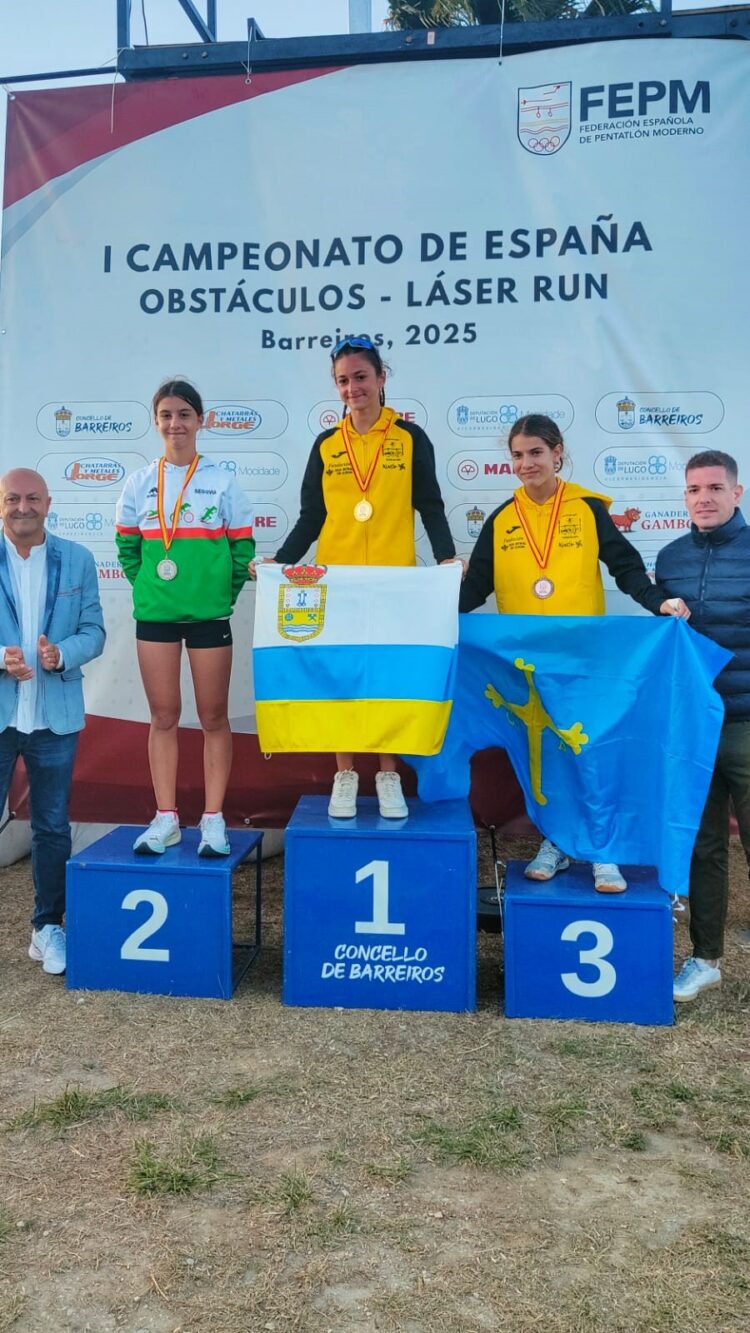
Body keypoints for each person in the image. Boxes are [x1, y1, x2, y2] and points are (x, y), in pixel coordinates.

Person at [459, 413, 684, 893]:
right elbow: (475, 587)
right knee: (546, 757)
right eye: (518, 455)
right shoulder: (502, 519)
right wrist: (427, 612)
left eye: (536, 452)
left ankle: (602, 850)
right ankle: (557, 841)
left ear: (557, 453)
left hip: (585, 660)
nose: (526, 463)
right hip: (526, 663)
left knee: (590, 752)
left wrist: (656, 602)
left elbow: (625, 567)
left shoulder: (586, 509)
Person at [252, 335, 459, 820]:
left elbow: (429, 504)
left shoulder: (410, 438)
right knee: (341, 676)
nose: (352, 388)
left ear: (382, 378)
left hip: (393, 582)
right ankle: (345, 774)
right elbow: (311, 516)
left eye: (361, 377)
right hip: (336, 583)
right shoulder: (326, 445)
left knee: (388, 676)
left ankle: (388, 775)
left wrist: (448, 556)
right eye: (343, 381)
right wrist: (281, 562)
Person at [116, 379, 255, 856]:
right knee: (163, 716)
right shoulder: (138, 482)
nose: (175, 424)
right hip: (156, 616)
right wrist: (153, 590)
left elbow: (243, 549)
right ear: (156, 422)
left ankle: (213, 819)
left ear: (202, 420)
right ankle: (166, 817)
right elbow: (127, 549)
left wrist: (221, 593)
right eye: (166, 415)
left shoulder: (222, 480)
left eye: (184, 414)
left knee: (214, 716)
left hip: (209, 615)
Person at [0, 468, 105, 975]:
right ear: (1, 504)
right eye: (13, 498)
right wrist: (4, 657)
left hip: (54, 718)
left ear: (49, 502)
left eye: (33, 498)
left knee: (51, 827)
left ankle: (47, 927)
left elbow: (94, 632)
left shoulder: (78, 559)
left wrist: (60, 654)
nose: (23, 507)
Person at [655, 449, 750, 1002]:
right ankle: (705, 958)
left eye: (715, 488)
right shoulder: (670, 558)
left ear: (736, 493)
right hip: (692, 727)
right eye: (694, 490)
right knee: (705, 846)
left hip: (745, 722)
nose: (704, 499)